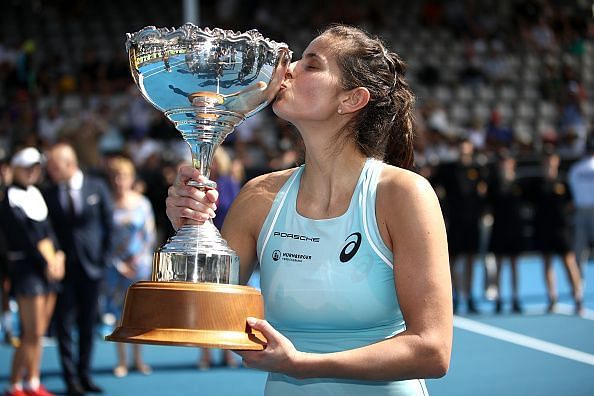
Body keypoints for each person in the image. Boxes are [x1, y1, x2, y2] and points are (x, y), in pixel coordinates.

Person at [167, 24, 452, 395]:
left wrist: (302, 365)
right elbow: (199, 315)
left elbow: (433, 350)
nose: (287, 69)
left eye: (311, 65)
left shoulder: (402, 194)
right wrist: (189, 231)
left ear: (351, 100)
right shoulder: (259, 196)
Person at [43, 143, 114, 396]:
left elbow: (109, 223)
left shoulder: (97, 186)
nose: (50, 171)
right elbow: (47, 229)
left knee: (87, 324)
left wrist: (103, 258)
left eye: (54, 166)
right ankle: (69, 378)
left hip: (92, 268)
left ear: (70, 163)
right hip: (64, 271)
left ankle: (84, 374)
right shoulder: (48, 193)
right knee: (63, 325)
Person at [0, 147, 65, 396]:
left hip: (46, 270)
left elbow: (49, 232)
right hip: (27, 271)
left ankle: (33, 381)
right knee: (31, 331)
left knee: (39, 333)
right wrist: (50, 260)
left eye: (35, 168)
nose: (32, 172)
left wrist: (58, 257)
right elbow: (27, 237)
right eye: (27, 167)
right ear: (15, 168)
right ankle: (15, 384)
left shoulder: (37, 194)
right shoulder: (9, 199)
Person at [103, 156, 155, 378]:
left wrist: (139, 260)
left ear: (130, 178)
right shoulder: (107, 205)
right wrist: (118, 263)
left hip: (139, 265)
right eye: (115, 176)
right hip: (115, 268)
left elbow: (149, 235)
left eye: (122, 175)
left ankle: (139, 359)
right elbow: (103, 238)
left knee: (140, 313)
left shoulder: (142, 204)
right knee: (118, 315)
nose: (118, 180)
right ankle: (122, 361)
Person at [197, 147, 242, 370]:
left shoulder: (229, 184)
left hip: (225, 246)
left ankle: (227, 350)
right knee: (204, 300)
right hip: (202, 247)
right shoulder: (198, 183)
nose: (211, 164)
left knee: (225, 300)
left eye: (214, 159)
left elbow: (238, 213)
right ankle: (205, 352)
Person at [533, 152, 583, 314]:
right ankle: (552, 298)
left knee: (569, 262)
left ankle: (577, 297)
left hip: (561, 230)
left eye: (551, 160)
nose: (549, 163)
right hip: (544, 230)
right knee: (547, 263)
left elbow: (572, 204)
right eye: (546, 160)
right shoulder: (538, 184)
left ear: (557, 161)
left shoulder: (563, 182)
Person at [488, 154, 524, 313]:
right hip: (500, 229)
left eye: (507, 161)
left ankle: (515, 297)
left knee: (514, 265)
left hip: (514, 228)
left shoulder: (519, 183)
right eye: (502, 162)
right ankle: (499, 298)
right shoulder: (494, 184)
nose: (505, 165)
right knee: (499, 265)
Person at [568, 141, 594, 277]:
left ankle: (578, 283)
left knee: (580, 249)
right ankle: (578, 282)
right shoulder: (576, 169)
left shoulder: (576, 168)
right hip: (583, 210)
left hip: (581, 210)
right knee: (579, 248)